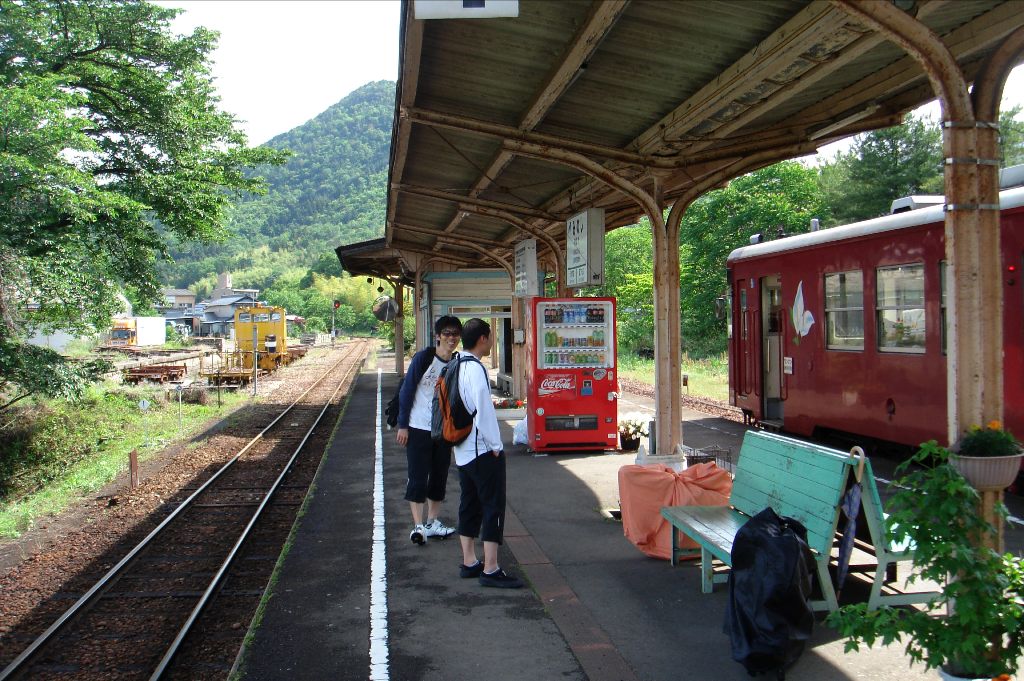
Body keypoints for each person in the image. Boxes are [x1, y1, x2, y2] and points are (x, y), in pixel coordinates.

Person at [452, 318, 523, 588]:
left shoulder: (456, 364)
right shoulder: (476, 369)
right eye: (490, 336)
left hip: (462, 449)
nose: (492, 340)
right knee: (492, 505)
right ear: (482, 338)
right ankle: (491, 568)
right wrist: (496, 445)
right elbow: (483, 410)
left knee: (468, 503)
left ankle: (469, 561)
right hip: (482, 450)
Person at [396, 315, 462, 545]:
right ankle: (418, 526)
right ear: (437, 336)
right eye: (446, 334)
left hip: (442, 430)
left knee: (439, 476)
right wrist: (402, 425)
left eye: (455, 334)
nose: (451, 338)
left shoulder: (456, 362)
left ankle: (432, 522)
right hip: (417, 426)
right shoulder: (424, 358)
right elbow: (407, 391)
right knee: (417, 476)